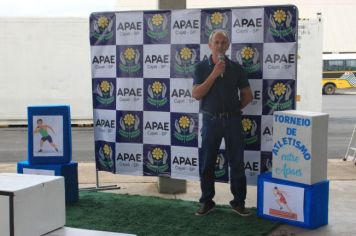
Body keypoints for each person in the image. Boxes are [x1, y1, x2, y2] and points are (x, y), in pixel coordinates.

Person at [192, 29, 253, 216]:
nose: (220, 46)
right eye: (216, 42)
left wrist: (233, 111)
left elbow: (248, 95)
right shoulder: (201, 68)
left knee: (237, 163)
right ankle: (207, 201)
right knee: (207, 162)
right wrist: (214, 73)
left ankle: (238, 202)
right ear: (210, 45)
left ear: (227, 45)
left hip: (233, 120)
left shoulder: (236, 68)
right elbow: (196, 94)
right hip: (211, 121)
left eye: (223, 43)